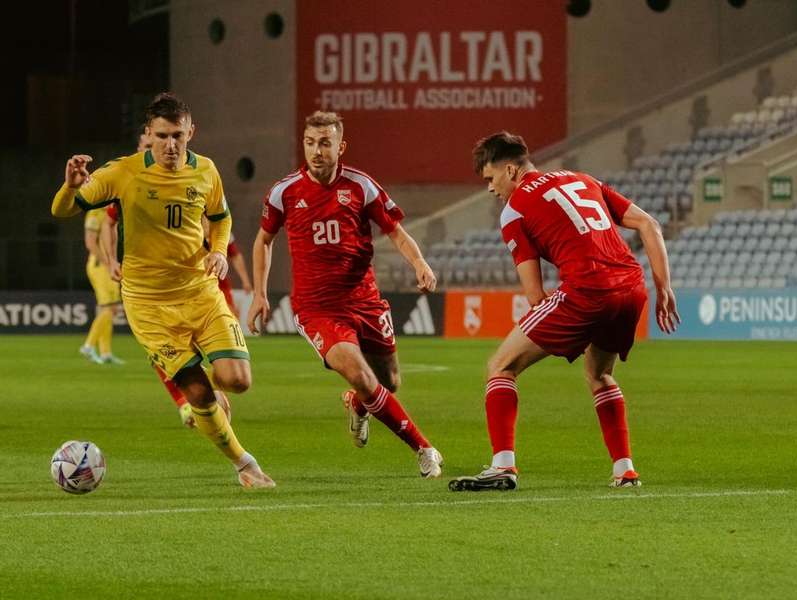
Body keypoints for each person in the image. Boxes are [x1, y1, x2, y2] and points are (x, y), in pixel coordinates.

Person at [51, 92, 273, 488]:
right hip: (148, 303)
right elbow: (63, 210)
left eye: (178, 136)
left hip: (200, 292)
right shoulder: (123, 172)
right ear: (148, 135)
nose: (171, 145)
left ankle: (213, 389)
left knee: (238, 381)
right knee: (199, 394)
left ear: (191, 132)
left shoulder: (206, 171)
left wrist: (219, 252)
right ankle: (245, 464)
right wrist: (69, 188)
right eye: (162, 136)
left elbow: (220, 219)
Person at [448, 132, 680, 492]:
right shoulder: (583, 179)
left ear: (510, 170)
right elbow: (650, 225)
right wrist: (663, 287)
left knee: (501, 366)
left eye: (490, 179)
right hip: (631, 287)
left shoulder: (515, 210)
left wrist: (567, 326)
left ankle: (502, 466)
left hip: (586, 290)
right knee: (599, 374)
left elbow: (535, 295)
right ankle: (625, 470)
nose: (491, 189)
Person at [247, 110, 444, 478]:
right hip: (317, 309)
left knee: (388, 382)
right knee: (358, 372)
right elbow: (264, 241)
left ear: (341, 146)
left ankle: (357, 405)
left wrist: (419, 262)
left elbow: (396, 231)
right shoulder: (284, 192)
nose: (317, 151)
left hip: (365, 300)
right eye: (310, 143)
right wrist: (259, 293)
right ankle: (424, 448)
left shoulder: (360, 186)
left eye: (325, 143)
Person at [103, 201, 232, 429]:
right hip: (146, 286)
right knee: (159, 350)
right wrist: (110, 259)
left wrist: (215, 250)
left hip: (191, 281)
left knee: (234, 376)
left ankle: (206, 379)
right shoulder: (126, 185)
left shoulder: (190, 182)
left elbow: (215, 219)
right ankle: (185, 400)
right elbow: (108, 222)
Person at [78, 199, 125, 365]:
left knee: (109, 309)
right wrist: (107, 262)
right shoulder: (95, 213)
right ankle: (89, 345)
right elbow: (90, 243)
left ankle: (105, 353)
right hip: (100, 266)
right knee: (110, 308)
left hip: (106, 265)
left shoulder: (111, 212)